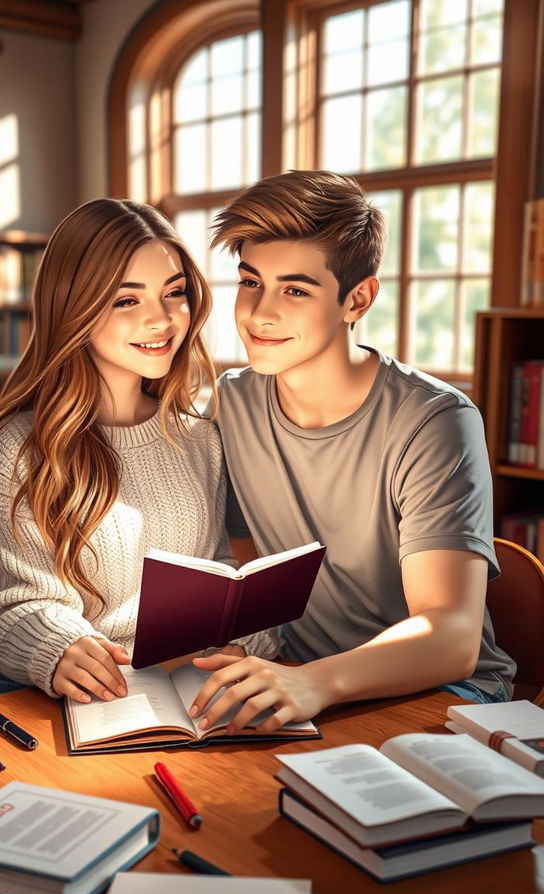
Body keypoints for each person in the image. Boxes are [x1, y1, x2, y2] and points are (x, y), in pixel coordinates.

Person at [187, 170, 515, 736]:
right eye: (249, 282)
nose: (259, 313)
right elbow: (247, 570)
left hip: (441, 693)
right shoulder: (230, 405)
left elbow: (450, 635)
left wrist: (316, 682)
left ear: (357, 299)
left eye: (295, 290)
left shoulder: (435, 421)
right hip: (301, 677)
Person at [0, 198, 273, 707]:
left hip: (169, 685)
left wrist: (241, 639)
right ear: (74, 307)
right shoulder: (24, 447)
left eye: (175, 293)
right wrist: (59, 647)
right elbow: (12, 605)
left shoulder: (200, 438)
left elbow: (217, 572)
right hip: (37, 693)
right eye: (127, 301)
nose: (162, 320)